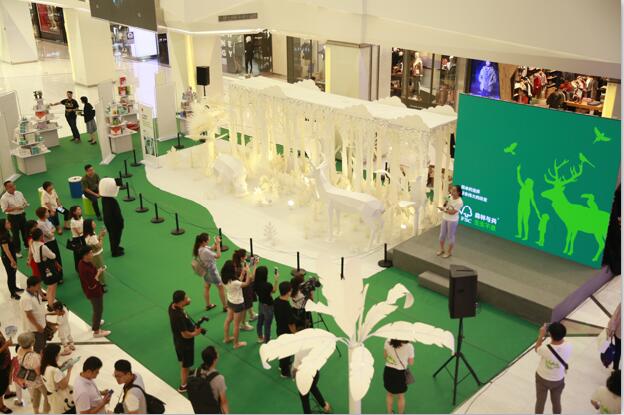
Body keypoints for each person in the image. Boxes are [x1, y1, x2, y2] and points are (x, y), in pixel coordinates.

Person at [168, 290, 203, 393]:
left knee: (183, 360)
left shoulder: (172, 306)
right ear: (180, 301)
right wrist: (195, 333)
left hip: (177, 340)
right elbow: (185, 334)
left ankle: (188, 372)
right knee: (185, 364)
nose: (188, 298)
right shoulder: (178, 316)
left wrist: (186, 302)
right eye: (186, 298)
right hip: (184, 343)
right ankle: (183, 386)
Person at [534, 322, 572, 414]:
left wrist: (541, 335)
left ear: (550, 335)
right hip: (558, 380)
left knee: (540, 402)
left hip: (542, 378)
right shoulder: (569, 346)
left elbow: (537, 348)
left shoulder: (545, 349)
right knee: (556, 402)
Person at [77, 247, 109, 338]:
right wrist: (99, 272)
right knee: (98, 309)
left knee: (96, 309)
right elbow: (92, 284)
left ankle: (96, 323)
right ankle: (96, 331)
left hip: (90, 290)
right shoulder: (85, 268)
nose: (92, 254)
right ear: (85, 255)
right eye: (90, 253)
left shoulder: (82, 263)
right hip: (94, 292)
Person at [187, 346, 229, 414]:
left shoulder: (195, 372)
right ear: (214, 360)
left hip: (199, 408)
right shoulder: (219, 379)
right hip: (212, 410)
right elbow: (223, 403)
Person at [15, 333, 50, 414]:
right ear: (32, 343)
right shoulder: (34, 357)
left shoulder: (19, 350)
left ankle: (36, 412)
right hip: (38, 381)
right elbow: (38, 372)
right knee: (47, 396)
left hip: (28, 379)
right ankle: (45, 412)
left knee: (36, 395)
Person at [222, 259, 253, 349]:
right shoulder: (235, 282)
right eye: (234, 267)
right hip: (238, 304)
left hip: (230, 301)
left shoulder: (224, 278)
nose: (235, 268)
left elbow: (238, 281)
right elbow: (246, 283)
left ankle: (226, 338)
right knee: (236, 325)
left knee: (228, 320)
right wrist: (248, 272)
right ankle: (236, 344)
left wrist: (243, 272)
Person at [192, 233, 226, 311]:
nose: (209, 241)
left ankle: (208, 305)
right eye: (208, 240)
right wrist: (218, 244)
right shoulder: (204, 251)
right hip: (212, 271)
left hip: (205, 271)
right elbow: (218, 255)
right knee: (220, 287)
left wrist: (215, 243)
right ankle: (225, 306)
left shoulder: (200, 247)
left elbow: (211, 248)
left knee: (207, 287)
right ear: (203, 242)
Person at [293, 348, 331, 414]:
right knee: (313, 387)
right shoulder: (314, 346)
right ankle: (325, 406)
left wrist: (294, 377)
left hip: (303, 377)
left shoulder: (298, 352)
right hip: (314, 373)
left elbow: (295, 368)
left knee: (304, 397)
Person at [41, 344, 76, 414]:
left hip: (52, 396)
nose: (59, 355)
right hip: (62, 398)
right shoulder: (55, 371)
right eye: (58, 354)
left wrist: (62, 366)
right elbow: (64, 386)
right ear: (54, 356)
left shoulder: (43, 366)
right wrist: (69, 371)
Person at [31, 228, 61, 308]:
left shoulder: (32, 244)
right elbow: (53, 256)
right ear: (40, 236)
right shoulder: (42, 247)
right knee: (52, 288)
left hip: (41, 267)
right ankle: (51, 305)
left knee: (49, 287)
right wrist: (50, 251)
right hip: (48, 268)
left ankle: (49, 302)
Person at [384, 339, 414, 414]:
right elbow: (411, 362)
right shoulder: (409, 346)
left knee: (389, 394)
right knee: (400, 396)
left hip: (388, 371)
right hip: (400, 374)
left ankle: (389, 413)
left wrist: (393, 362)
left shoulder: (387, 341)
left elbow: (385, 356)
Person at [274, 281, 297, 377]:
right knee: (286, 352)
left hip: (279, 329)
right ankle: (284, 372)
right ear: (288, 292)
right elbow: (290, 323)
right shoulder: (286, 306)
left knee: (282, 349)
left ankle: (282, 365)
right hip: (286, 332)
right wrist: (295, 334)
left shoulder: (276, 300)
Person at [0, 180, 29, 257]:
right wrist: (16, 208)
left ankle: (27, 245)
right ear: (6, 188)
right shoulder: (4, 198)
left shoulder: (19, 193)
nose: (13, 187)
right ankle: (17, 251)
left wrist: (25, 205)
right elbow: (4, 209)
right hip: (13, 217)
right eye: (10, 187)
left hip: (22, 215)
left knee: (25, 231)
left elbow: (24, 202)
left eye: (13, 185)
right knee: (15, 235)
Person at [20, 277, 49, 353]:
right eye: (38, 285)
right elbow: (29, 315)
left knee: (43, 342)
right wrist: (37, 326)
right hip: (35, 328)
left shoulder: (35, 292)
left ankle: (43, 351)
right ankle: (39, 356)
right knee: (39, 345)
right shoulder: (26, 299)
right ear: (31, 286)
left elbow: (39, 307)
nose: (39, 287)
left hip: (41, 323)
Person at [36, 206, 64, 283]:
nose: (48, 213)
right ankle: (56, 277)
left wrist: (51, 231)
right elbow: (49, 235)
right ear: (43, 214)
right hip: (48, 243)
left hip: (53, 241)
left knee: (58, 258)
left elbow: (53, 228)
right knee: (53, 260)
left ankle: (60, 275)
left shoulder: (47, 220)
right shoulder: (40, 224)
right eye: (47, 212)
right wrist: (52, 231)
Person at [232, 249, 258, 329]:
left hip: (241, 287)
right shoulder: (240, 268)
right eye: (245, 255)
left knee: (248, 303)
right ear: (242, 258)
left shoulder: (235, 264)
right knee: (245, 307)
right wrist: (255, 266)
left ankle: (252, 314)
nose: (247, 256)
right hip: (244, 289)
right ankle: (243, 323)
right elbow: (252, 278)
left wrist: (249, 265)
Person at [99, 178, 124, 257]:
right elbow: (109, 214)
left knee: (114, 236)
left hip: (112, 222)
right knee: (115, 236)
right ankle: (115, 251)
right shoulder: (109, 201)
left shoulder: (105, 199)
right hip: (114, 223)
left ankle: (115, 247)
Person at [437, 184, 463, 258]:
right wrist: (444, 205)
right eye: (451, 190)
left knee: (450, 236)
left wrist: (444, 210)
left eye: (454, 191)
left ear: (458, 192)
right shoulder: (449, 196)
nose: (452, 192)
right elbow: (445, 205)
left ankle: (449, 252)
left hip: (452, 220)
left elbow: (453, 212)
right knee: (442, 235)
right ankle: (442, 249)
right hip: (445, 218)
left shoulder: (460, 202)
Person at [254, 266, 279, 343]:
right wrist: (276, 280)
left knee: (260, 322)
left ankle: (260, 337)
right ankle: (267, 341)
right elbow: (274, 290)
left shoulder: (255, 283)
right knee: (267, 325)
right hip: (268, 306)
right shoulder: (268, 285)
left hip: (261, 304)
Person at [0, 218, 21, 300]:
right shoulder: (3, 236)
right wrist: (12, 260)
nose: (9, 223)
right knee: (10, 275)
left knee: (13, 272)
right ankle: (12, 293)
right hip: (8, 258)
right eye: (7, 223)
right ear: (3, 225)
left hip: (11, 255)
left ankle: (14, 287)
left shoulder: (7, 232)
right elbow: (6, 250)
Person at [83, 219, 106, 286]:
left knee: (96, 268)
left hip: (93, 255)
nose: (95, 224)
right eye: (93, 224)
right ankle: (101, 283)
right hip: (96, 256)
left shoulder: (88, 234)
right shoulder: (92, 236)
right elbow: (99, 246)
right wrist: (101, 237)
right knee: (100, 269)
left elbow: (95, 240)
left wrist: (100, 235)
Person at [0, 326, 13, 414]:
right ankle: (1, 406)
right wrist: (6, 345)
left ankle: (7, 393)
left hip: (5, 362)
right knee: (0, 385)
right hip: (0, 365)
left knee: (5, 381)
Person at [70, 205, 86, 272]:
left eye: (80, 209)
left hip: (82, 237)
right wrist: (86, 229)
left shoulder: (81, 217)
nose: (80, 210)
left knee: (85, 252)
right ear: (74, 212)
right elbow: (79, 232)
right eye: (78, 210)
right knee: (78, 255)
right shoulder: (73, 221)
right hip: (76, 239)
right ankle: (78, 269)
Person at [607, 303, 621, 370]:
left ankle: (615, 369)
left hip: (620, 332)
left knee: (618, 350)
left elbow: (615, 317)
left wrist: (611, 329)